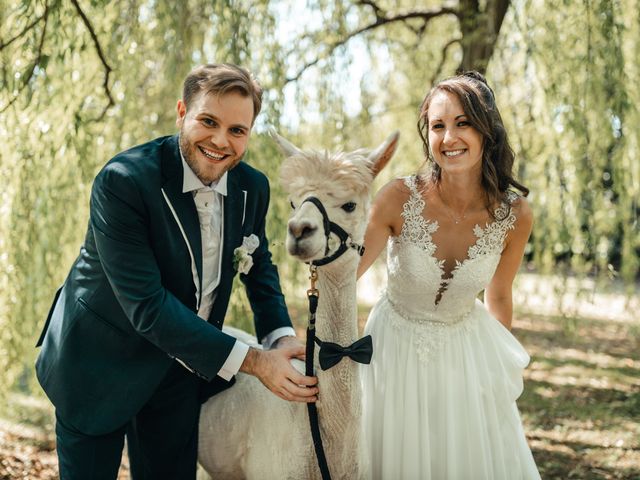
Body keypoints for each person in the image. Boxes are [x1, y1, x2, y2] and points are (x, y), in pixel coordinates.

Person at [35, 63, 318, 480]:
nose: (221, 141)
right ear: (182, 112)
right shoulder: (123, 181)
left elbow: (258, 266)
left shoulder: (251, 187)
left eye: (237, 130)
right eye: (208, 121)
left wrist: (281, 338)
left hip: (181, 371)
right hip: (99, 364)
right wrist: (257, 363)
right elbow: (148, 307)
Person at [357, 71, 540, 479]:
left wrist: (495, 369)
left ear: (486, 129)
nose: (449, 138)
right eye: (438, 126)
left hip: (465, 350)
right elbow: (344, 274)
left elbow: (499, 297)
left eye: (463, 123)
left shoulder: (515, 215)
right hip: (393, 349)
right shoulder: (397, 198)